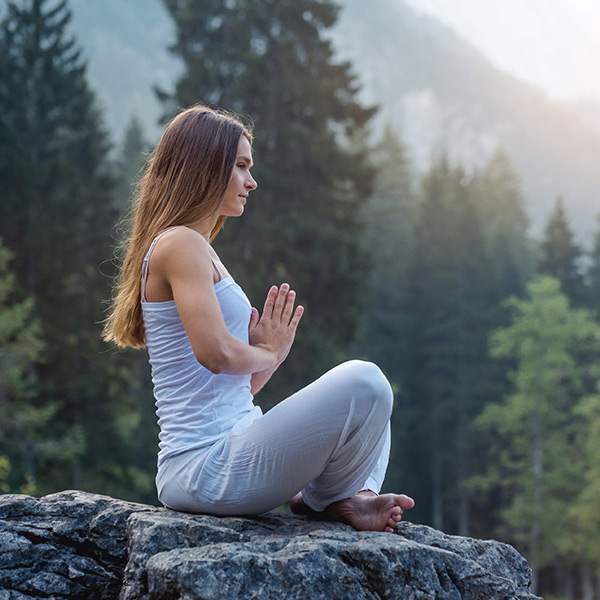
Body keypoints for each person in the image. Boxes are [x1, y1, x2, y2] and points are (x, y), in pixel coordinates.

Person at [103, 104, 414, 532]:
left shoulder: (198, 247)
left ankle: (346, 498)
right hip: (201, 466)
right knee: (367, 383)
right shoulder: (179, 244)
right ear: (206, 166)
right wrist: (266, 350)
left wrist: (271, 358)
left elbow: (224, 389)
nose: (252, 181)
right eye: (242, 166)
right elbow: (215, 354)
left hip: (230, 447)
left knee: (372, 409)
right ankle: (333, 499)